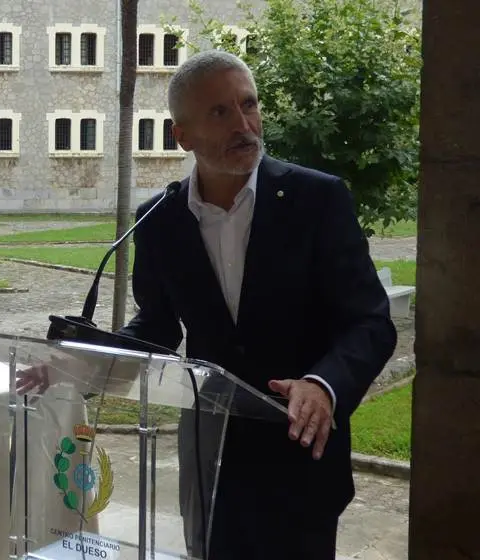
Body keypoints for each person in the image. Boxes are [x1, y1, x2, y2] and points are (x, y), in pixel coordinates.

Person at [118, 51, 397, 558]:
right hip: (213, 457)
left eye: (249, 105)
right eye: (220, 112)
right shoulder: (159, 219)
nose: (244, 125)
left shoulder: (318, 200)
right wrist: (82, 356)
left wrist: (323, 385)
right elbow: (157, 324)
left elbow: (370, 322)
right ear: (182, 135)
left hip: (301, 450)